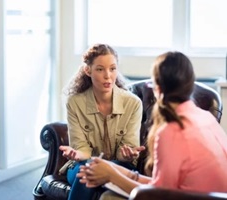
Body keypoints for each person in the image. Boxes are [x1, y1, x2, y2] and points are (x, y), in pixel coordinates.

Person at [78, 51, 227, 200]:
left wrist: (111, 175)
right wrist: (114, 169)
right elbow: (164, 186)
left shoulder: (171, 131)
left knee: (108, 197)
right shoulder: (206, 117)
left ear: (158, 89)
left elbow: (157, 195)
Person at [59, 43, 145, 200]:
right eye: (100, 69)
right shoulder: (75, 102)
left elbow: (126, 151)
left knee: (91, 171)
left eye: (112, 69)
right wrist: (77, 154)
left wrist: (127, 154)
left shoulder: (133, 103)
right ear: (88, 70)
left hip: (119, 165)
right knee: (87, 170)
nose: (108, 75)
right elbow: (82, 149)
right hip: (81, 164)